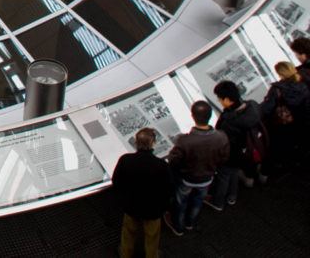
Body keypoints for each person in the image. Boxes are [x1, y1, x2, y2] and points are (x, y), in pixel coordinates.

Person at [164, 100, 229, 236]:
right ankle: (190, 223)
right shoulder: (221, 137)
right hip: (207, 178)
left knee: (181, 203)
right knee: (198, 201)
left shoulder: (185, 141)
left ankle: (178, 227)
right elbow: (224, 158)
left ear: (193, 116)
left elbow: (173, 161)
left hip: (187, 179)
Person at [111, 128, 172, 258]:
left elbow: (116, 181)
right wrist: (164, 207)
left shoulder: (126, 160)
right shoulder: (161, 165)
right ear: (153, 143)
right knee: (152, 236)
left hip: (131, 205)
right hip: (153, 209)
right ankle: (151, 255)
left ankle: (125, 253)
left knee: (128, 232)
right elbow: (167, 189)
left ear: (136, 143)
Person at [205, 81, 261, 211]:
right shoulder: (252, 106)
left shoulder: (230, 121)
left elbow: (221, 137)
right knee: (234, 173)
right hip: (245, 151)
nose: (219, 101)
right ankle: (232, 196)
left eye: (219, 98)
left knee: (224, 176)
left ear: (227, 99)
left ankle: (218, 202)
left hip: (230, 154)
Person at [260, 61, 310, 175]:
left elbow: (266, 109)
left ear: (280, 74)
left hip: (288, 125)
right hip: (305, 121)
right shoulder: (304, 82)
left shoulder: (278, 89)